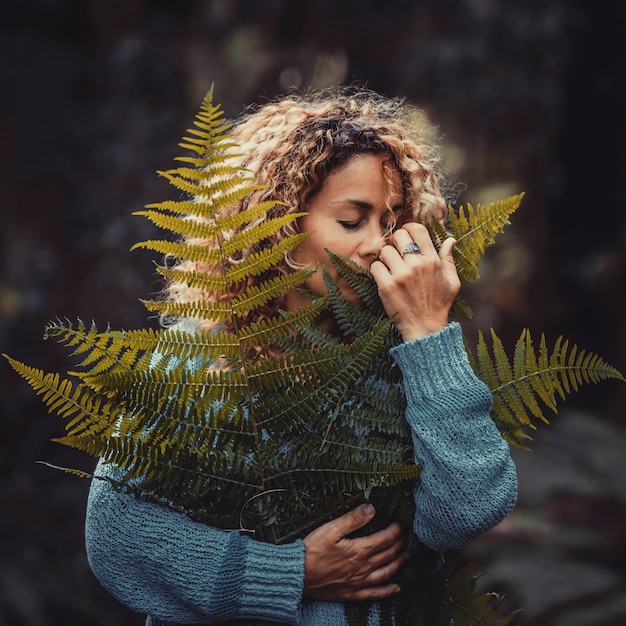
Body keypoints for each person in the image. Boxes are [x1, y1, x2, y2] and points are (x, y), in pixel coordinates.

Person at [85, 86, 517, 625]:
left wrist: (427, 332)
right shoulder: (208, 355)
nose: (377, 244)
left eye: (389, 221)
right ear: (279, 223)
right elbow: (117, 531)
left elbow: (466, 513)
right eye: (351, 219)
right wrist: (288, 573)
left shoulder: (408, 356)